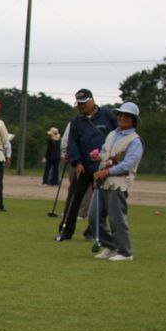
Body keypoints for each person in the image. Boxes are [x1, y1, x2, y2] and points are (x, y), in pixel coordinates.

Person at [55, 89, 116, 240]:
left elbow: (117, 135)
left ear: (92, 101)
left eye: (84, 103)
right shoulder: (76, 122)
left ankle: (93, 231)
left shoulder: (107, 116)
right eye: (79, 104)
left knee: (102, 202)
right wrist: (77, 162)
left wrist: (112, 160)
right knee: (74, 200)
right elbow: (72, 143)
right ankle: (66, 230)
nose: (81, 107)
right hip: (83, 167)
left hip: (103, 166)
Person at [91, 103, 144, 262]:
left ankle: (125, 252)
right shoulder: (111, 134)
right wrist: (98, 156)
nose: (122, 118)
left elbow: (128, 164)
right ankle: (110, 245)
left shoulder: (135, 141)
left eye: (126, 116)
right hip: (102, 182)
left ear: (133, 120)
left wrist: (106, 171)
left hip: (119, 183)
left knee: (116, 219)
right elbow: (106, 153)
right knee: (94, 216)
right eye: (120, 115)